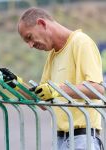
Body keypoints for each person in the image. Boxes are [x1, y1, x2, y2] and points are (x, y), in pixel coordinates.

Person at [15, 7, 104, 150]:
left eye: (29, 37)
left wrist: (57, 90)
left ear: (42, 24)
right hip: (60, 139)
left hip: (83, 139)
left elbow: (98, 89)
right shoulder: (53, 56)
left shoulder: (81, 42)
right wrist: (16, 85)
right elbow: (44, 102)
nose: (30, 45)